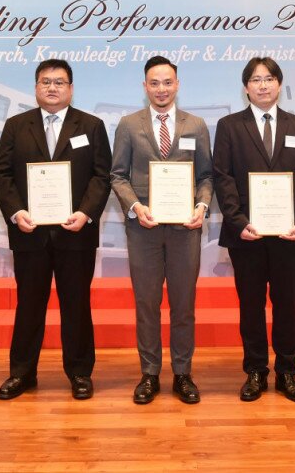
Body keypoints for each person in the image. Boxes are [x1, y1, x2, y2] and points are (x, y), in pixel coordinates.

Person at [0, 59, 112, 400]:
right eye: (46, 82)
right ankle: (22, 373)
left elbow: (101, 176)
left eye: (60, 82)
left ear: (71, 89)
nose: (52, 88)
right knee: (29, 305)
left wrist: (86, 213)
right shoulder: (16, 125)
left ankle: (79, 373)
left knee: (76, 305)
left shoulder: (90, 125)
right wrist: (16, 213)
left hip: (75, 233)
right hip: (30, 233)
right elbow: (1, 175)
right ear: (36, 88)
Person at [213, 57, 295, 403]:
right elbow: (223, 177)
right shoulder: (229, 126)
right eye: (256, 79)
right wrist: (238, 222)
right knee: (252, 305)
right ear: (245, 87)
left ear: (279, 84)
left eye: (269, 79)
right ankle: (256, 371)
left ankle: (287, 371)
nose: (263, 85)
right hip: (247, 235)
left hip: (289, 235)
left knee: (288, 305)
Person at [110, 56, 213, 405]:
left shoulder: (196, 125)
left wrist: (201, 206)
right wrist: (135, 207)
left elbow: (205, 176)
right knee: (147, 303)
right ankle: (149, 374)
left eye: (167, 82)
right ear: (145, 87)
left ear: (177, 84)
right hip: (144, 229)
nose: (161, 89)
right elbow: (118, 176)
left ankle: (183, 374)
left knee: (184, 305)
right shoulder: (128, 125)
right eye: (154, 83)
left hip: (186, 229)